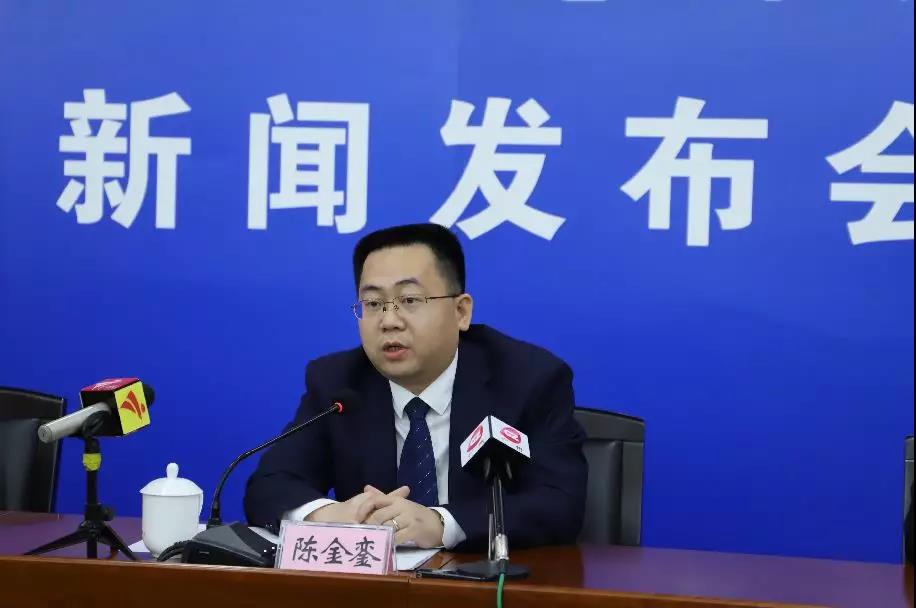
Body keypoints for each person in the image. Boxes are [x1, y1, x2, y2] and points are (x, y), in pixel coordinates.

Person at [244, 223, 587, 551]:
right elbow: (271, 484)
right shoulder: (338, 383)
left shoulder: (527, 379)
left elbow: (559, 503)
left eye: (409, 300)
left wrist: (442, 524)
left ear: (461, 311)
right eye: (373, 304)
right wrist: (327, 516)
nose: (389, 321)